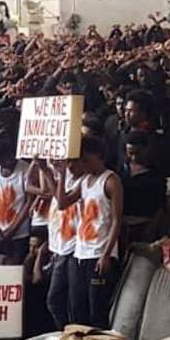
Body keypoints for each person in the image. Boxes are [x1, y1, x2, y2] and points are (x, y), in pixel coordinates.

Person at [57, 136, 123, 328]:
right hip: (81, 252)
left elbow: (117, 220)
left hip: (99, 252)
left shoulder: (111, 181)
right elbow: (62, 203)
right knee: (78, 307)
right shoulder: (85, 181)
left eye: (86, 159)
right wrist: (61, 175)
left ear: (99, 156)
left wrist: (106, 255)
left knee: (97, 309)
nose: (82, 163)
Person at [44, 159, 82, 329]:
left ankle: (73, 337)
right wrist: (46, 171)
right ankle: (64, 334)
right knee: (54, 301)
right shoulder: (66, 179)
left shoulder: (83, 181)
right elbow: (56, 196)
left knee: (71, 301)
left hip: (73, 248)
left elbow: (62, 202)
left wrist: (61, 173)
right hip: (59, 246)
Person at [0, 138, 31, 264]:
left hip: (19, 233)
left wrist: (13, 229)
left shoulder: (25, 169)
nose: (7, 162)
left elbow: (28, 201)